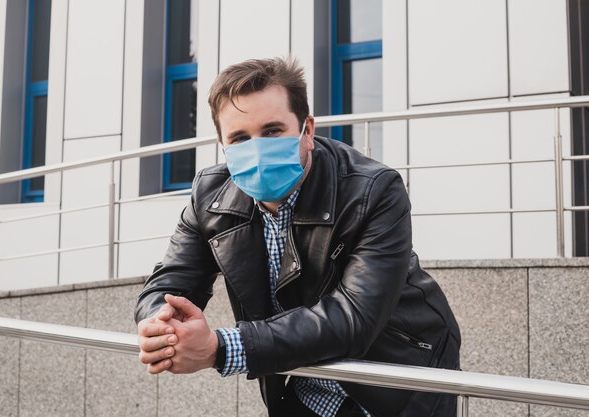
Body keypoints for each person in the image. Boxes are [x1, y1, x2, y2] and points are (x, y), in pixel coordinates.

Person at [134, 57, 461, 417]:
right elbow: (170, 280)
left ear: (307, 130)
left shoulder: (374, 191)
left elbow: (354, 317)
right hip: (304, 385)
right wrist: (161, 325)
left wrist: (221, 347)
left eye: (273, 131)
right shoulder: (209, 195)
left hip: (396, 381)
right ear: (223, 145)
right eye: (240, 138)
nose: (256, 150)